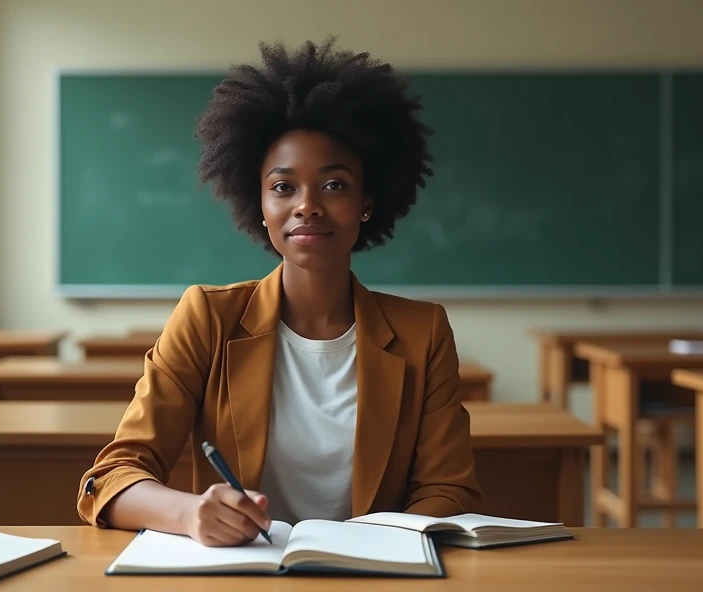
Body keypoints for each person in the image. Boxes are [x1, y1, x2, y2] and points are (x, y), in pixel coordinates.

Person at [76, 37, 481, 547]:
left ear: (367, 202)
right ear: (259, 203)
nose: (307, 206)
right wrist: (191, 514)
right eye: (283, 187)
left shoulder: (422, 332)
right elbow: (110, 479)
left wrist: (369, 543)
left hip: (371, 575)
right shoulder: (207, 317)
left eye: (333, 185)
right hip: (241, 573)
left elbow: (449, 489)